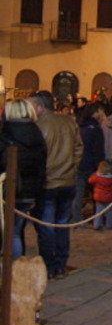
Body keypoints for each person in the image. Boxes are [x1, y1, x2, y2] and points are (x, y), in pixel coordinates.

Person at [28, 90, 83, 279]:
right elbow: (78, 148)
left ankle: (50, 265)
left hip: (49, 182)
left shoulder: (38, 126)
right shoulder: (68, 122)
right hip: (67, 180)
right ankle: (60, 263)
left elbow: (37, 157)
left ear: (40, 107)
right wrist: (71, 167)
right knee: (61, 224)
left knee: (47, 226)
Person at [0, 99, 48, 259]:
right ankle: (14, 268)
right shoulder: (37, 134)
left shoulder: (6, 134)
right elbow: (42, 167)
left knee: (10, 233)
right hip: (28, 191)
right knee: (15, 232)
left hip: (7, 190)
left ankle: (9, 272)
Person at [73, 103, 105, 224]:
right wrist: (99, 165)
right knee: (97, 193)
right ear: (96, 112)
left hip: (79, 163)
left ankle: (76, 219)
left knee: (78, 194)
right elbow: (98, 150)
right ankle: (97, 219)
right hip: (92, 164)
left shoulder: (78, 126)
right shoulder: (96, 129)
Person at [88, 161, 112, 230]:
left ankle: (97, 225)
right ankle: (110, 225)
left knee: (98, 212)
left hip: (99, 197)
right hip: (110, 197)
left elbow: (90, 181)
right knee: (110, 212)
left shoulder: (96, 177)